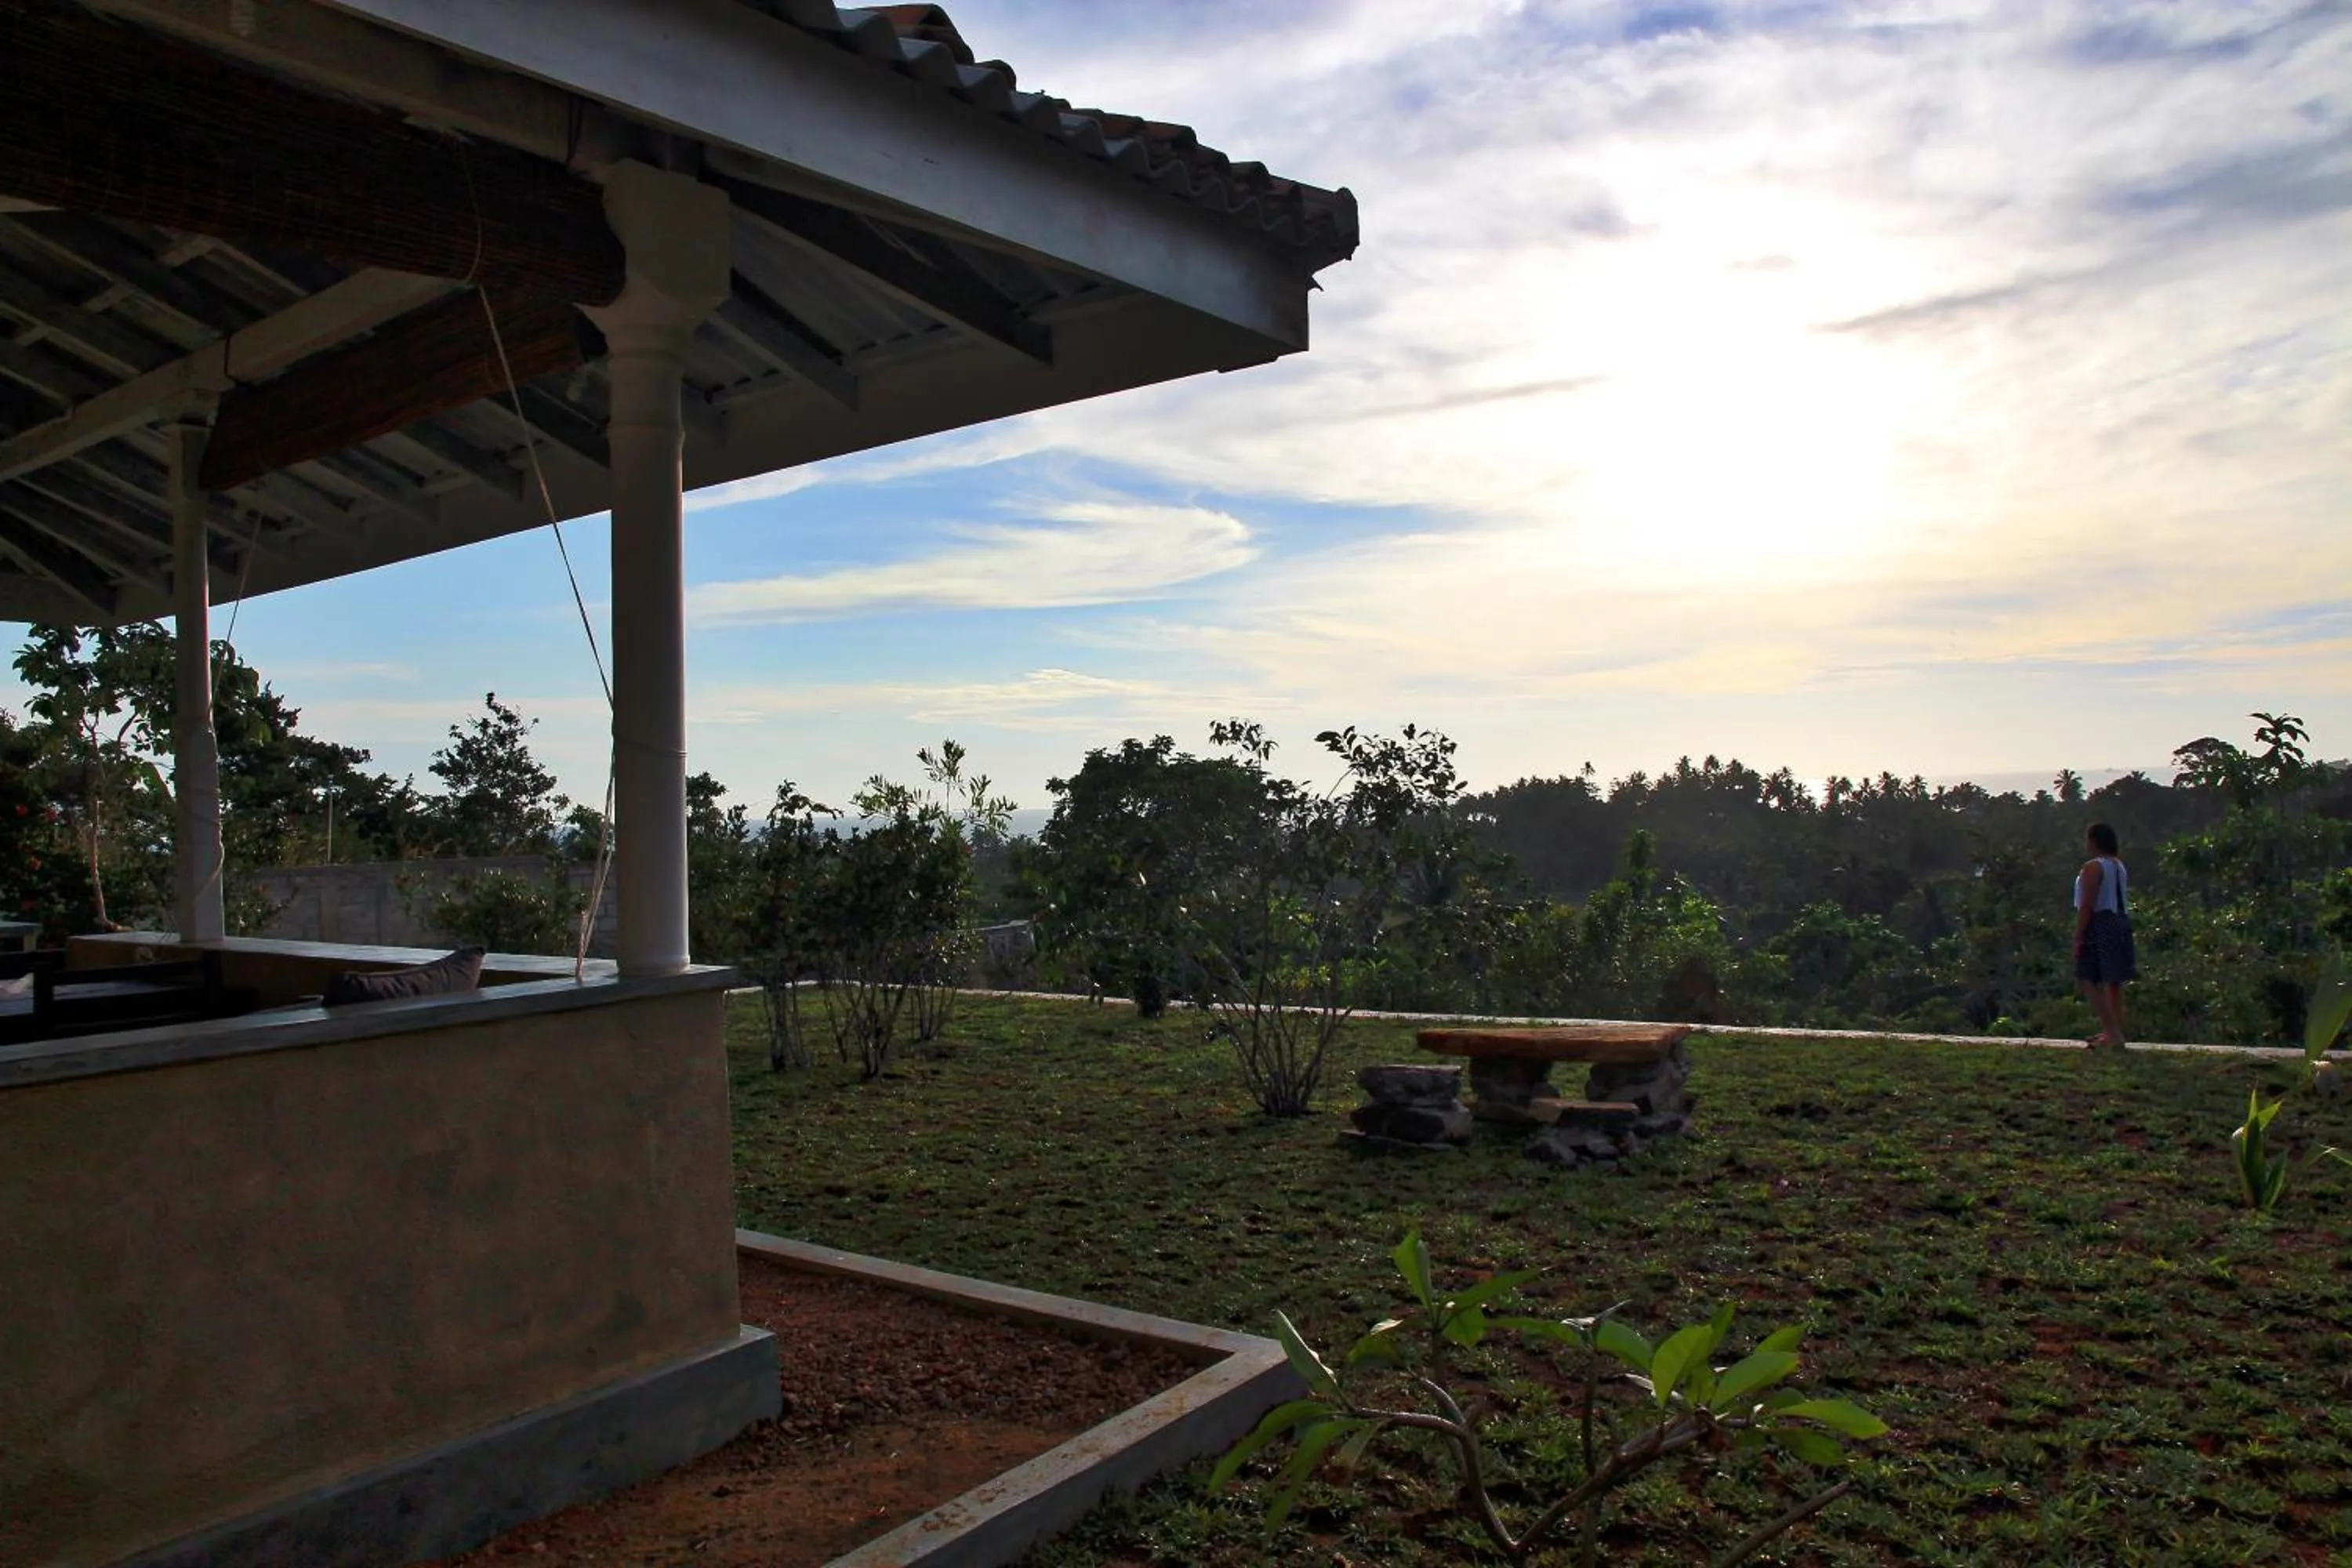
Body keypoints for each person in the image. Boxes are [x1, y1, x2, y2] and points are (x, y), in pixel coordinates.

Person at [2073, 822, 2136, 1049]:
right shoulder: (2118, 866)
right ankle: (2112, 1031)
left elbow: (2087, 905)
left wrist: (2079, 934)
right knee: (2113, 981)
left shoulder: (2093, 867)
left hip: (2101, 922)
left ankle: (2113, 1033)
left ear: (2093, 841)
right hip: (2121, 922)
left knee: (2086, 978)